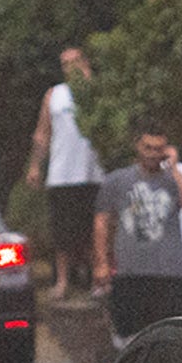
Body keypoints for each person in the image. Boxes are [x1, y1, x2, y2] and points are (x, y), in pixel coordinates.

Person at [95, 125, 182, 341]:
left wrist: (173, 169)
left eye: (158, 149)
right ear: (137, 146)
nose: (153, 154)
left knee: (168, 336)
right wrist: (102, 263)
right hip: (130, 272)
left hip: (169, 274)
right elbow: (102, 222)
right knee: (128, 337)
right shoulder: (117, 180)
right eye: (148, 147)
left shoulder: (174, 181)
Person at [25, 45, 104, 298]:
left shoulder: (97, 91)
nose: (71, 68)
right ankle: (62, 281)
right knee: (62, 231)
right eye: (65, 64)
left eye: (75, 61)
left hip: (93, 172)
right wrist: (36, 165)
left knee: (93, 227)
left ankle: (96, 279)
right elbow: (42, 132)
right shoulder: (55, 95)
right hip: (62, 173)